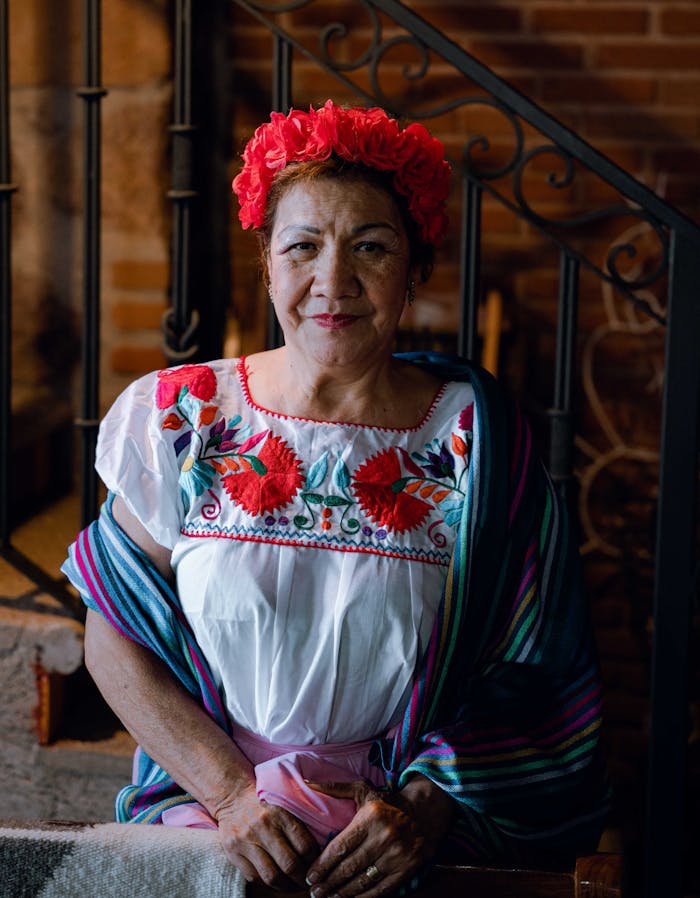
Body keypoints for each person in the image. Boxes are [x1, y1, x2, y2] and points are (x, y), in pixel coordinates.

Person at [63, 100, 609, 896]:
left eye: (372, 247)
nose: (333, 282)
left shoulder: (476, 445)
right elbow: (114, 640)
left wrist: (424, 806)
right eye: (304, 247)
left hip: (395, 843)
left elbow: (539, 676)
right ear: (266, 261)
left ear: (416, 268)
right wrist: (233, 796)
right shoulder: (183, 418)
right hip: (212, 818)